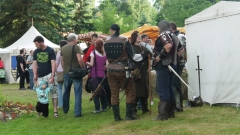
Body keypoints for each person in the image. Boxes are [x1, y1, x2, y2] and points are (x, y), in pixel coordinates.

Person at [104, 24, 136, 121]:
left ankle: (117, 117)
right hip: (123, 69)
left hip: (110, 69)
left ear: (111, 30)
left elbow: (107, 55)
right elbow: (131, 54)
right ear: (118, 30)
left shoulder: (106, 41)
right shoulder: (124, 40)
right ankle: (128, 116)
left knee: (114, 93)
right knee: (130, 90)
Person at [154, 20, 178, 121]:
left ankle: (163, 114)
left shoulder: (164, 34)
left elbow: (168, 46)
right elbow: (181, 50)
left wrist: (160, 56)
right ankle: (170, 112)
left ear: (161, 27)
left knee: (163, 89)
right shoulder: (174, 35)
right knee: (169, 88)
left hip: (164, 65)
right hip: (172, 65)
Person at [32, 36, 58, 118]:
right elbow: (34, 64)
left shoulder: (50, 50)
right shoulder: (36, 52)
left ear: (42, 43)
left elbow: (53, 63)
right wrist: (35, 75)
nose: (36, 46)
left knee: (54, 93)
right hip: (40, 76)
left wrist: (53, 75)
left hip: (50, 74)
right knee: (41, 93)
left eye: (37, 44)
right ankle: (42, 111)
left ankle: (55, 111)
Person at [61, 33, 85, 117]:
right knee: (77, 93)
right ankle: (77, 112)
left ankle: (65, 109)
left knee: (66, 91)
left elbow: (62, 62)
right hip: (76, 73)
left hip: (66, 72)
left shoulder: (63, 48)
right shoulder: (76, 47)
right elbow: (80, 60)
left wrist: (65, 70)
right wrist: (83, 68)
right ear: (74, 39)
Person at [131, 31, 152, 116]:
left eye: (139, 36)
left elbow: (150, 53)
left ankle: (144, 107)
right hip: (137, 72)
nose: (139, 37)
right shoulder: (131, 47)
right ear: (134, 38)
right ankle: (133, 110)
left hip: (144, 71)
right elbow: (136, 58)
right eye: (137, 36)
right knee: (137, 91)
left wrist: (148, 53)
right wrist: (144, 53)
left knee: (145, 91)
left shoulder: (142, 46)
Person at [86, 39, 108, 114]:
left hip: (94, 75)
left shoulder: (93, 53)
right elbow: (107, 65)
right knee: (102, 91)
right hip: (102, 75)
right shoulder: (105, 53)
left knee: (95, 92)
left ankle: (97, 108)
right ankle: (104, 106)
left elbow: (91, 64)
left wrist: (87, 63)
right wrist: (104, 67)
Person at [169, 22, 185, 112]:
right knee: (174, 84)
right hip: (176, 63)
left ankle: (178, 106)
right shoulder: (178, 36)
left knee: (176, 84)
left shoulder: (179, 37)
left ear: (171, 29)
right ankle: (175, 105)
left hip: (178, 63)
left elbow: (181, 50)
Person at [56, 40, 68, 109]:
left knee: (59, 88)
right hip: (66, 71)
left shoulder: (59, 52)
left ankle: (60, 104)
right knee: (65, 88)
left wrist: (55, 71)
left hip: (60, 71)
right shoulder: (68, 52)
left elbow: (57, 63)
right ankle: (66, 103)